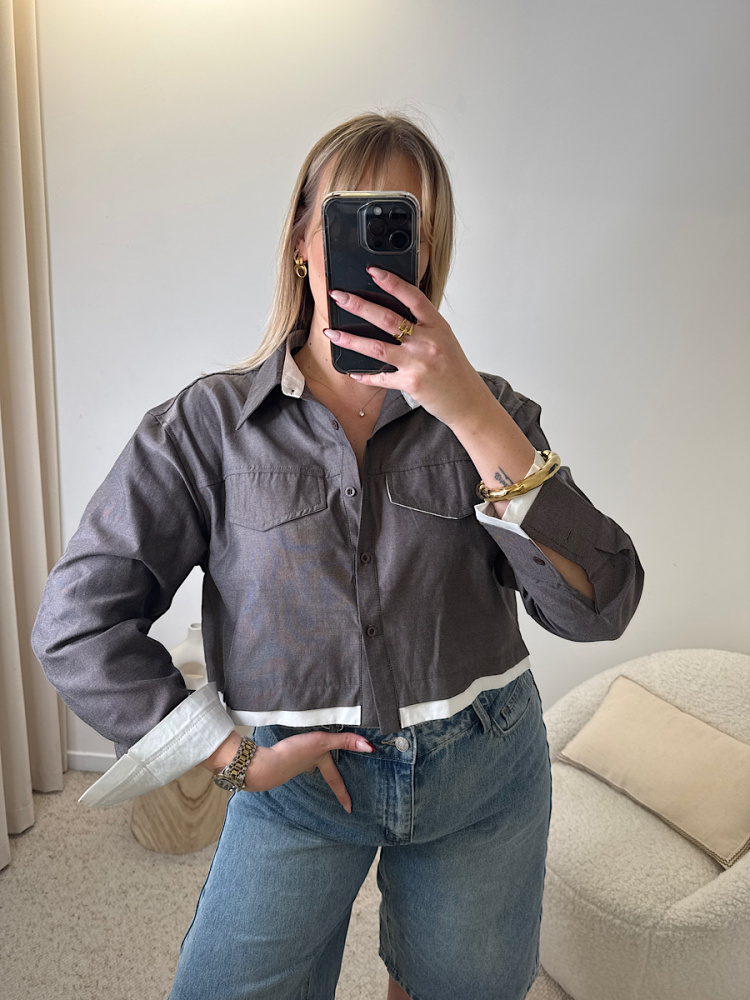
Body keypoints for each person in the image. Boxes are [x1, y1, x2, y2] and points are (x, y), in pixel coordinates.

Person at [32, 112, 643, 1000]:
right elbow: (76, 623)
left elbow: (601, 602)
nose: (381, 250)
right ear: (302, 243)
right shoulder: (208, 427)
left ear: (427, 257)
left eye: (404, 228)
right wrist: (229, 757)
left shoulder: (492, 414)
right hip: (296, 786)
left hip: (483, 773)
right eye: (355, 218)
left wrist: (469, 412)